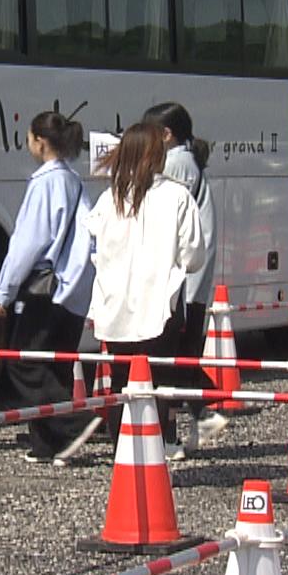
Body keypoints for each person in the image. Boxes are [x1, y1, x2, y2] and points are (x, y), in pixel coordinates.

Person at [82, 122, 207, 459]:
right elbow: (194, 256)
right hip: (160, 304)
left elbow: (93, 244)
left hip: (115, 305)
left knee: (121, 379)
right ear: (155, 155)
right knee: (158, 378)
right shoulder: (177, 196)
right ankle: (160, 444)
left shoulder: (110, 198)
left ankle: (122, 448)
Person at [0, 112, 96, 464]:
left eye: (28, 137)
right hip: (72, 288)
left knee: (25, 362)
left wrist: (3, 291)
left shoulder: (44, 183)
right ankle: (50, 444)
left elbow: (27, 244)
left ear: (40, 141)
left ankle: (74, 422)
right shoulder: (76, 182)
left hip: (43, 288)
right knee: (56, 364)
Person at [142, 102, 227, 453]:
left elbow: (160, 210)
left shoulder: (176, 162)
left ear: (166, 135)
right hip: (192, 278)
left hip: (183, 279)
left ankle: (198, 414)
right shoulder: (187, 159)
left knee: (174, 358)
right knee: (181, 355)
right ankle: (197, 417)